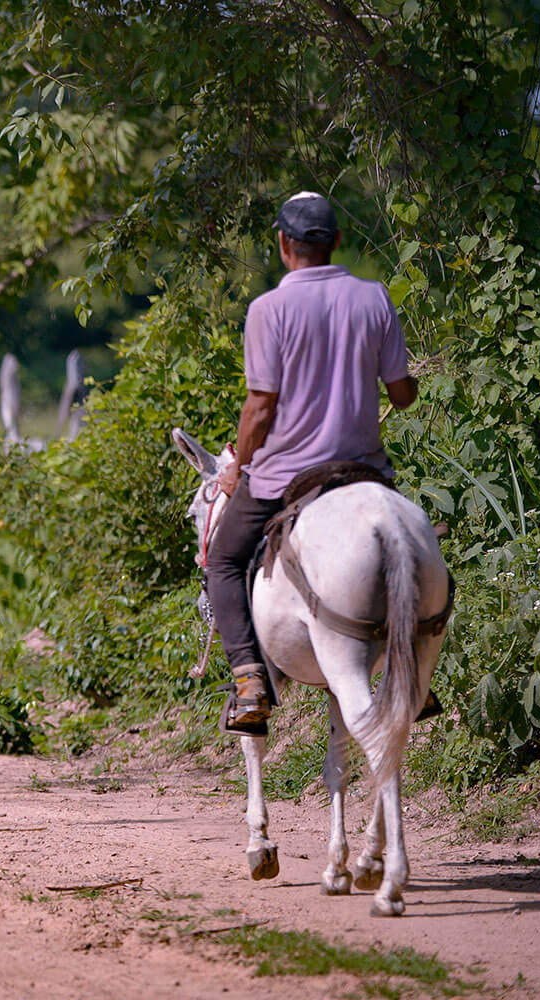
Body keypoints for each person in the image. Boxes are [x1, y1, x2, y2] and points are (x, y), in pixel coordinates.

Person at [207, 191, 419, 734]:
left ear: (283, 244)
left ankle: (250, 678)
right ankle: (414, 666)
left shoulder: (268, 310)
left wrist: (238, 467)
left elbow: (259, 407)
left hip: (285, 477)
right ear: (337, 241)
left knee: (224, 561)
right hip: (362, 472)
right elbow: (401, 396)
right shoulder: (374, 298)